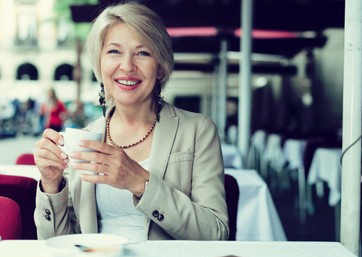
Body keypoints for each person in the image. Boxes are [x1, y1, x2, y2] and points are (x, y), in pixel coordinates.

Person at [33, 2, 228, 241]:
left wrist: (139, 181)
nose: (127, 66)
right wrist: (52, 185)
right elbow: (60, 243)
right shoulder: (86, 138)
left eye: (143, 53)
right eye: (114, 52)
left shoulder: (198, 130)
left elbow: (216, 234)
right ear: (100, 64)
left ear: (160, 68)